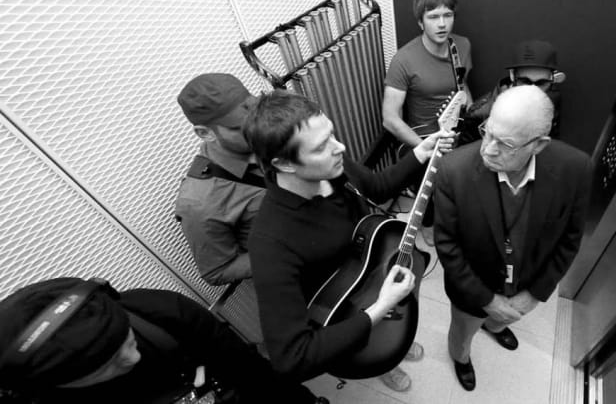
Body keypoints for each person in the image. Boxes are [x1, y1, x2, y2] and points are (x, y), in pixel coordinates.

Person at [242, 90, 454, 393]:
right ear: (285, 164)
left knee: (395, 322)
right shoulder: (270, 242)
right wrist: (380, 309)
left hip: (374, 275)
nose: (339, 147)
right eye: (320, 147)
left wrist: (422, 151)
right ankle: (382, 358)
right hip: (346, 311)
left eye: (332, 134)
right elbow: (291, 358)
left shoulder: (332, 168)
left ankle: (392, 336)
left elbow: (378, 187)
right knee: (378, 344)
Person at [433, 86, 591, 391]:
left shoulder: (576, 169)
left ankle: (495, 326)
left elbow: (570, 240)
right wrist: (488, 300)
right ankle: (461, 358)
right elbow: (448, 247)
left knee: (503, 319)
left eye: (505, 144)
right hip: (472, 291)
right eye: (487, 132)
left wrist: (534, 294)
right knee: (463, 333)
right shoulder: (454, 171)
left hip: (525, 287)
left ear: (539, 145)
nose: (488, 149)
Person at [0, 277, 319, 403]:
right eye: (107, 364)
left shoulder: (162, 312)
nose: (132, 358)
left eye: (126, 341)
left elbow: (251, 370)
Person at [175, 72, 263, 287]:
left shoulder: (267, 131)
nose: (256, 128)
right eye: (239, 127)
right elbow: (217, 271)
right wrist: (290, 251)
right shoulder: (199, 203)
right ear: (205, 133)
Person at [382, 0, 472, 149]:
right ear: (420, 22)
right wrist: (425, 147)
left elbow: (462, 85)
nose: (442, 24)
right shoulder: (403, 60)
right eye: (433, 17)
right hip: (424, 139)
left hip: (456, 135)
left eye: (448, 15)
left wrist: (472, 120)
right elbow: (390, 118)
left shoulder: (463, 46)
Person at [458, 39, 565, 146]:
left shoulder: (552, 100)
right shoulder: (480, 114)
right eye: (525, 81)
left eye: (541, 83)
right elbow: (467, 157)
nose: (533, 90)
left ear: (553, 79)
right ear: (512, 76)